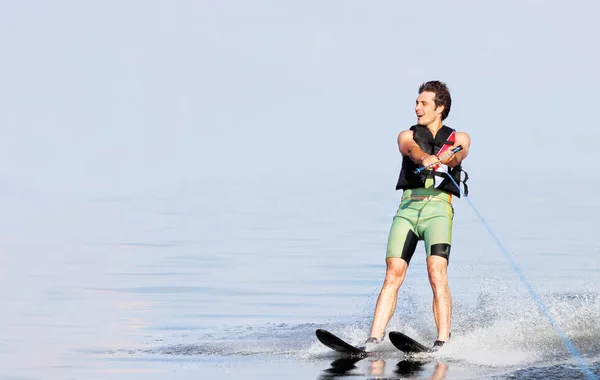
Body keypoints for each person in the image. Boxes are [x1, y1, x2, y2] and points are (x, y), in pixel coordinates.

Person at [365, 80, 470, 351]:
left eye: (423, 103)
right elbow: (411, 150)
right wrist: (425, 158)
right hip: (408, 210)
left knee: (437, 273)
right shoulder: (406, 135)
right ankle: (373, 339)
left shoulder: (459, 139)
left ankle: (442, 341)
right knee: (393, 272)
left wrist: (447, 159)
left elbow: (459, 157)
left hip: (438, 212)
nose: (417, 108)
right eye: (416, 102)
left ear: (440, 107)